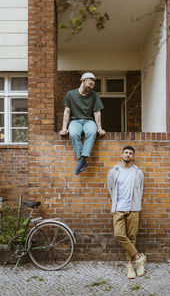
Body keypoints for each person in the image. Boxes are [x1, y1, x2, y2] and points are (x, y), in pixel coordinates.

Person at [107, 146, 146, 279]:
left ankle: (130, 265)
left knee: (132, 237)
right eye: (126, 152)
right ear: (122, 154)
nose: (128, 155)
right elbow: (110, 188)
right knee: (119, 234)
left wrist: (136, 204)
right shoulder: (114, 171)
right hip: (118, 208)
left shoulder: (138, 172)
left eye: (130, 153)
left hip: (133, 208)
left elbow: (140, 190)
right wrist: (115, 204)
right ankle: (138, 257)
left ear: (133, 156)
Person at [60, 72, 105, 175]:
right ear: (83, 81)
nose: (91, 87)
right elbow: (67, 111)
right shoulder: (70, 94)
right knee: (74, 134)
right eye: (90, 84)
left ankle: (82, 159)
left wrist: (100, 128)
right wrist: (64, 128)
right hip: (75, 121)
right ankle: (82, 160)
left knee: (92, 133)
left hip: (89, 121)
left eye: (93, 85)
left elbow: (97, 112)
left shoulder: (94, 95)